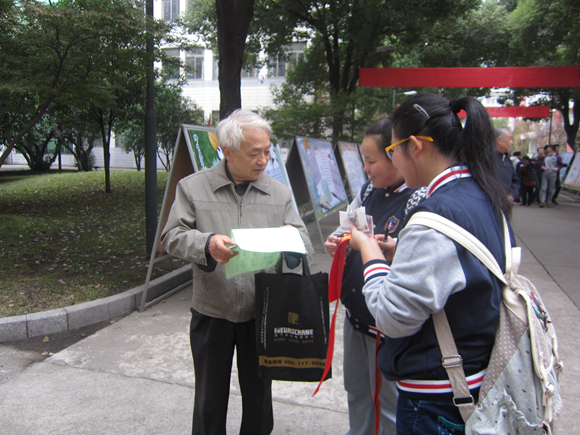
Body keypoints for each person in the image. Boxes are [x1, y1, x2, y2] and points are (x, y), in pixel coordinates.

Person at [348, 93, 513, 434]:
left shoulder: (434, 215)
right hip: (475, 376)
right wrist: (399, 250)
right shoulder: (481, 194)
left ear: (416, 147)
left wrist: (369, 250)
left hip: (436, 395)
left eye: (392, 151)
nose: (392, 160)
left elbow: (392, 317)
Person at [161, 109, 313, 435]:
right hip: (212, 311)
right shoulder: (194, 188)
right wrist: (206, 244)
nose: (263, 161)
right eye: (254, 153)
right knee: (209, 400)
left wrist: (289, 238)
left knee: (259, 400)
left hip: (263, 313)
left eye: (268, 151)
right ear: (227, 152)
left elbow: (303, 241)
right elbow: (170, 237)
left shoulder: (279, 193)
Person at [325, 118, 426, 435]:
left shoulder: (418, 200)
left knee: (388, 404)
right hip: (356, 316)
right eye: (363, 161)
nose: (366, 169)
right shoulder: (369, 190)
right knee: (357, 393)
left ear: (396, 156)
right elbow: (347, 228)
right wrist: (336, 240)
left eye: (371, 161)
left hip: (385, 327)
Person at [495, 127, 518, 202]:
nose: (512, 142)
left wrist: (512, 195)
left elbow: (515, 180)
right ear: (500, 140)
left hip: (506, 205)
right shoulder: (487, 159)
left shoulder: (507, 160)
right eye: (510, 139)